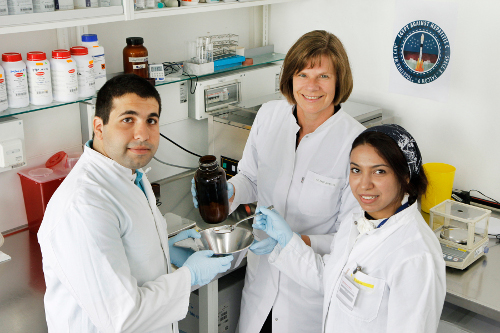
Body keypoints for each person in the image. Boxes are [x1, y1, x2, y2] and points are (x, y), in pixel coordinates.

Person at [192, 30, 365, 332]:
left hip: (308, 298)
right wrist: (229, 191)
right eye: (302, 74)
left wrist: (292, 242)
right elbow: (251, 178)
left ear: (339, 82)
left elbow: (351, 240)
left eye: (323, 76)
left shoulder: (356, 144)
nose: (311, 86)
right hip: (261, 287)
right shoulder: (269, 117)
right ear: (290, 78)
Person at [37, 74, 233, 333]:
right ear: (99, 127)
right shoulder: (84, 205)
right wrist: (189, 277)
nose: (142, 134)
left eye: (151, 120)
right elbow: (123, 317)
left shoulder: (130, 176)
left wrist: (163, 245)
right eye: (128, 119)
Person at [253, 124, 446, 333]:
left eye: (379, 172)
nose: (364, 184)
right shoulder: (355, 222)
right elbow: (330, 279)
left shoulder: (415, 256)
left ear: (405, 176)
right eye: (356, 170)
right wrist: (288, 242)